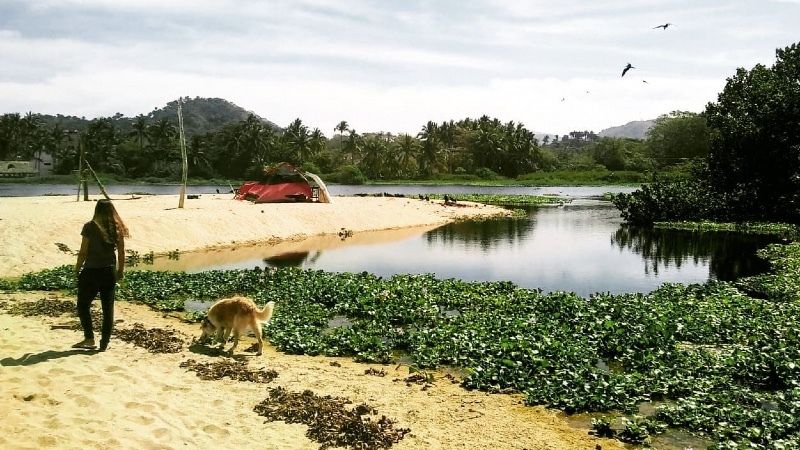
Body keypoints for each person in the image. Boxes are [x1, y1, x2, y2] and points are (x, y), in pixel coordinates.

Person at [72, 199, 129, 351]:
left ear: (96, 211)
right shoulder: (117, 227)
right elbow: (122, 252)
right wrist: (120, 271)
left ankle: (89, 338)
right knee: (107, 309)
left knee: (83, 305)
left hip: (91, 271)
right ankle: (104, 344)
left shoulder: (90, 227)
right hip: (108, 271)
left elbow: (83, 252)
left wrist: (77, 269)